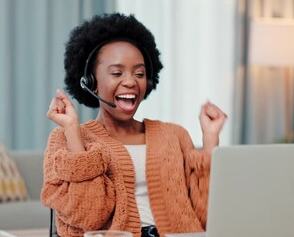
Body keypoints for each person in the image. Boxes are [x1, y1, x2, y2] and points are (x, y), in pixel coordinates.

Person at [41, 13, 227, 237]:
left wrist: (210, 141)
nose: (130, 81)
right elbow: (89, 218)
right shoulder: (65, 138)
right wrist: (73, 132)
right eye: (117, 73)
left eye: (139, 73)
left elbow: (207, 217)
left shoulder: (174, 135)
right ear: (92, 82)